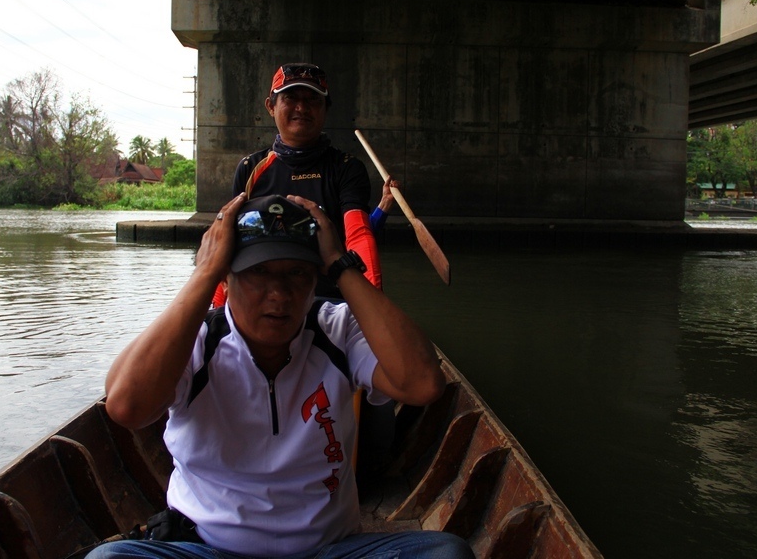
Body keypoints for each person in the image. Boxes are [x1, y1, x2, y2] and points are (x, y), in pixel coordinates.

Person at [92, 193, 474, 559]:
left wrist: (340, 262)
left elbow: (423, 384)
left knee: (446, 552)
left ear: (315, 276)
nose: (279, 293)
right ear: (227, 278)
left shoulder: (336, 328)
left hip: (327, 551)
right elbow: (126, 407)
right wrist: (205, 270)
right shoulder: (195, 341)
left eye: (296, 273)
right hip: (206, 549)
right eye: (258, 272)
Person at [231, 63, 383, 296]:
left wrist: (372, 303)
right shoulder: (249, 168)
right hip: (263, 300)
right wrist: (219, 309)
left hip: (330, 302)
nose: (302, 107)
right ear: (271, 106)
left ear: (325, 109)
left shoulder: (347, 168)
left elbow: (358, 235)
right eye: (290, 97)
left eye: (313, 100)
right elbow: (232, 243)